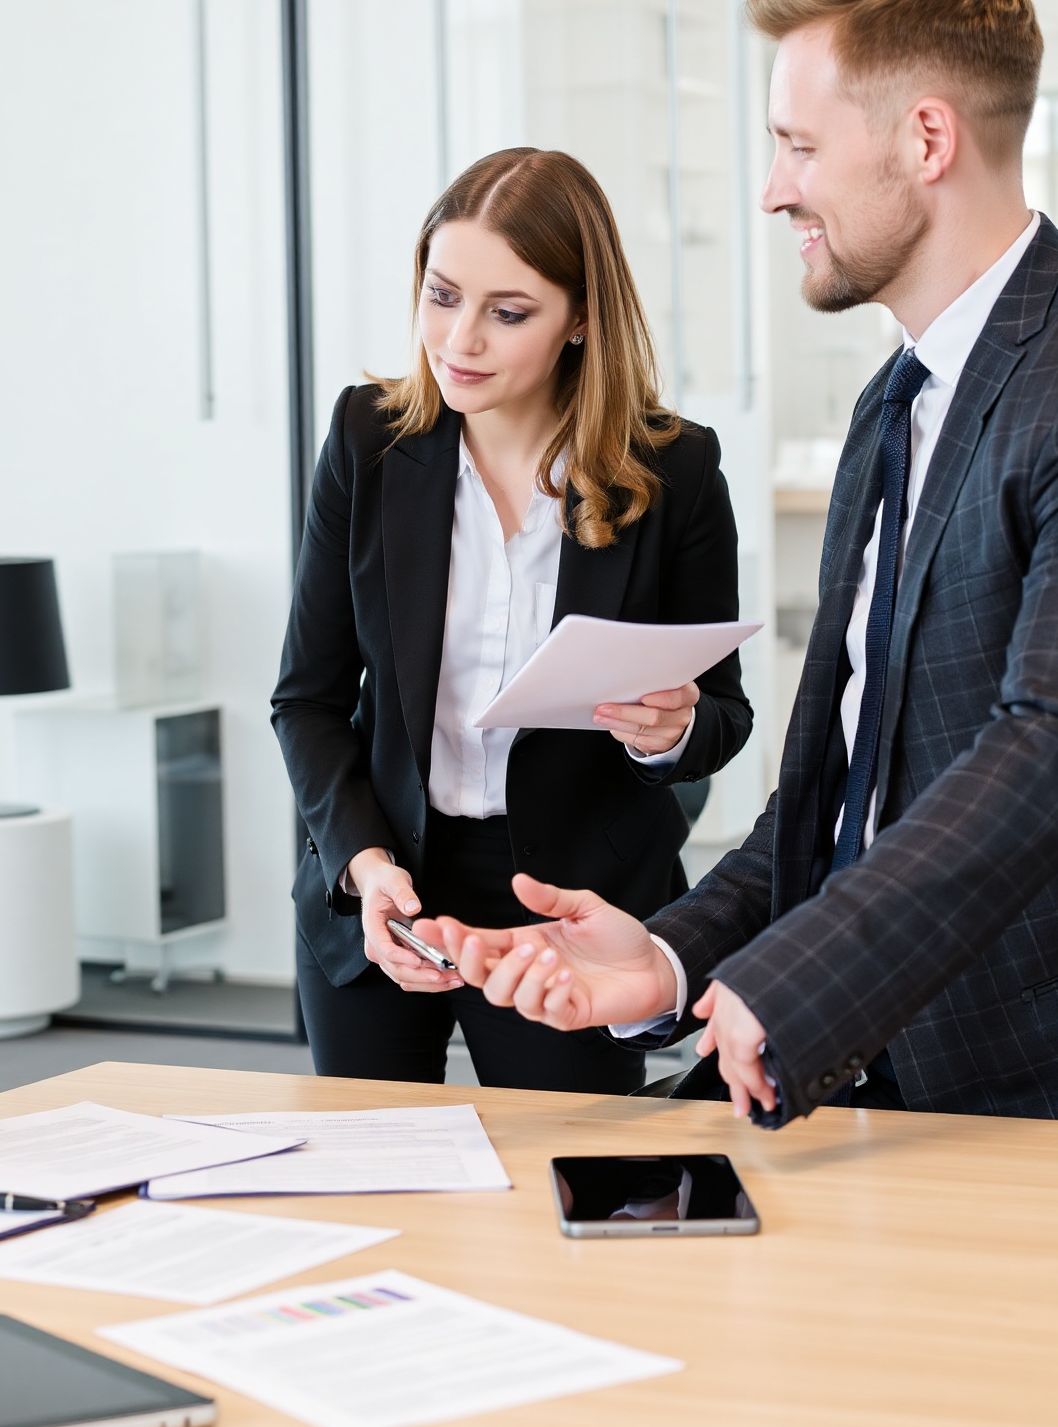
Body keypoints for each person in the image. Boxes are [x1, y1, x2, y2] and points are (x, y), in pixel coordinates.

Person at [430, 0, 1058, 1132]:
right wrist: (668, 961)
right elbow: (838, 786)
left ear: (923, 139)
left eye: (796, 145)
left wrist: (791, 978)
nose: (775, 187)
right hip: (896, 1081)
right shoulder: (894, 405)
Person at [272, 148, 752, 1090]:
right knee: (373, 1174)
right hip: (384, 874)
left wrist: (672, 730)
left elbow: (723, 720)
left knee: (561, 1190)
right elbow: (310, 699)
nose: (460, 341)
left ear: (581, 320)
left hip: (566, 898)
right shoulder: (369, 442)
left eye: (508, 313)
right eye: (442, 295)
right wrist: (364, 867)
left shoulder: (676, 471)